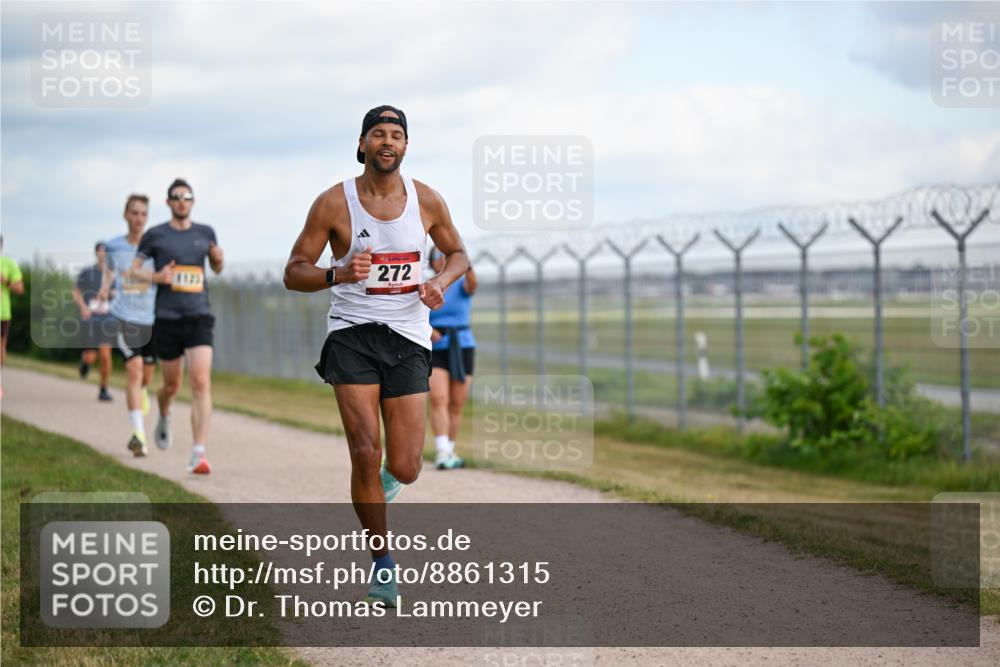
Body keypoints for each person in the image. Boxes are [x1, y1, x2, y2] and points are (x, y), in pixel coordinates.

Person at [283, 105, 469, 607]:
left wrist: (439, 282)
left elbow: (458, 254)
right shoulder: (333, 204)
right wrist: (337, 274)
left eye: (397, 135)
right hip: (352, 334)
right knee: (366, 451)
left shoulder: (426, 201)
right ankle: (383, 563)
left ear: (406, 146)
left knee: (406, 466)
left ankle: (383, 485)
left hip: (409, 336)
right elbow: (294, 270)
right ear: (362, 144)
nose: (387, 142)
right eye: (378, 134)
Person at [132, 178, 224, 474]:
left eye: (187, 196)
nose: (182, 201)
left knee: (200, 381)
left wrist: (218, 260)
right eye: (176, 197)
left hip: (198, 316)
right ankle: (163, 411)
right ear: (168, 202)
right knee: (171, 384)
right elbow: (133, 271)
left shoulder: (206, 232)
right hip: (167, 318)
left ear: (193, 201)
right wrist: (157, 277)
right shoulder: (155, 235)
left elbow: (217, 268)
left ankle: (199, 452)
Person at [102, 194, 158, 457]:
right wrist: (104, 289)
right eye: (134, 213)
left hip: (152, 319)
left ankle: (143, 393)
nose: (138, 218)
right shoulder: (113, 246)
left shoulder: (157, 245)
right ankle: (138, 435)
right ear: (126, 215)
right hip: (125, 318)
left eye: (143, 214)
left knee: (146, 376)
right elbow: (110, 273)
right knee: (134, 372)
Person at [427, 245, 477, 470]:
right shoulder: (426, 285)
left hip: (462, 345)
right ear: (431, 261)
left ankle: (450, 449)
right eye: (438, 255)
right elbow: (413, 314)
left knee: (457, 403)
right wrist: (428, 330)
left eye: (446, 255)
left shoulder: (463, 284)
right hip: (435, 346)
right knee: (438, 398)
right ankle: (441, 451)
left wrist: (462, 258)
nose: (442, 259)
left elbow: (473, 283)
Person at [73, 242, 114, 401]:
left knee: (105, 355)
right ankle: (85, 362)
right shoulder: (87, 272)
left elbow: (119, 293)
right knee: (91, 356)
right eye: (101, 252)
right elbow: (75, 291)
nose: (103, 255)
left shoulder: (112, 274)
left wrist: (109, 292)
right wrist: (83, 307)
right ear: (96, 253)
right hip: (90, 319)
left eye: (106, 252)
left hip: (107, 319)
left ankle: (103, 389)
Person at [0, 235, 25, 367]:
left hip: (2, 313)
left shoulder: (8, 263)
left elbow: (20, 288)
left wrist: (6, 281)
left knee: (1, 347)